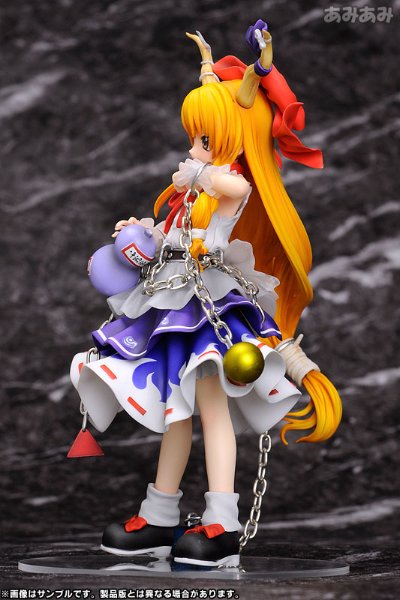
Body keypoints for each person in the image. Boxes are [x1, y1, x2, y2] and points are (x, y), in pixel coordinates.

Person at [70, 21, 342, 567]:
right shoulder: (190, 188)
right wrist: (140, 233)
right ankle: (159, 514)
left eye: (206, 138)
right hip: (173, 303)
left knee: (212, 409)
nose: (194, 148)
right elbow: (170, 235)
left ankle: (221, 520)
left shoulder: (225, 183)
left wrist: (199, 172)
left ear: (234, 138)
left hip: (210, 306)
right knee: (176, 409)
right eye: (194, 138)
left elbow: (232, 186)